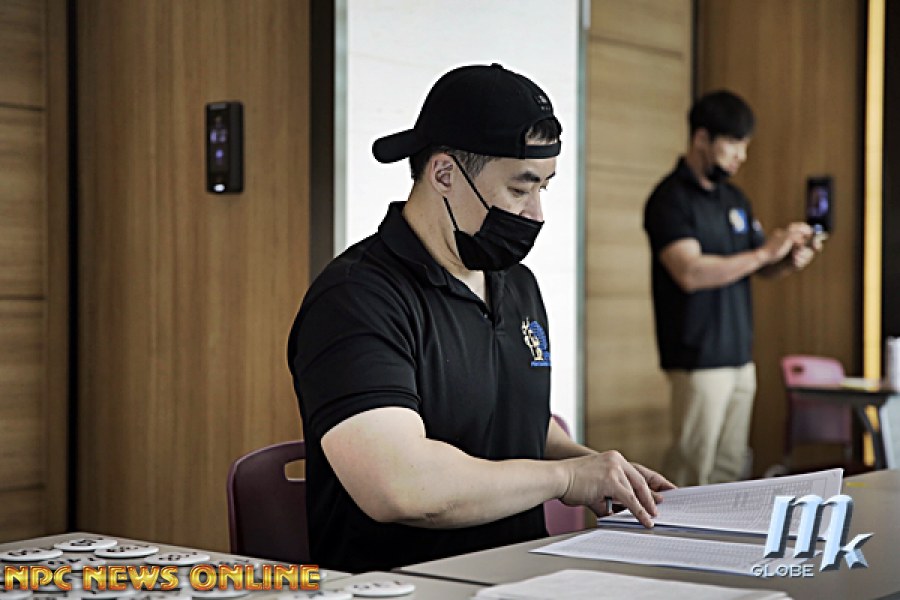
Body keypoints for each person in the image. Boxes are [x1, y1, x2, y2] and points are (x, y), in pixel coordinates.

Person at [288, 63, 674, 572]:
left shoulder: (517, 285)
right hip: (406, 584)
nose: (536, 213)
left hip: (519, 573)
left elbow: (515, 421)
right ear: (444, 174)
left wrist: (596, 469)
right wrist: (566, 480)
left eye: (544, 188)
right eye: (520, 189)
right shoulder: (356, 298)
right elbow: (400, 486)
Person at [643, 90, 821, 488]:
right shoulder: (669, 199)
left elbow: (759, 265)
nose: (742, 155)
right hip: (698, 357)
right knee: (691, 471)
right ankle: (670, 532)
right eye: (734, 144)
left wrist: (787, 259)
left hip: (740, 355)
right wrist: (765, 252)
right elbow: (690, 272)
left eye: (745, 145)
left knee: (730, 471)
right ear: (701, 138)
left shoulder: (735, 198)